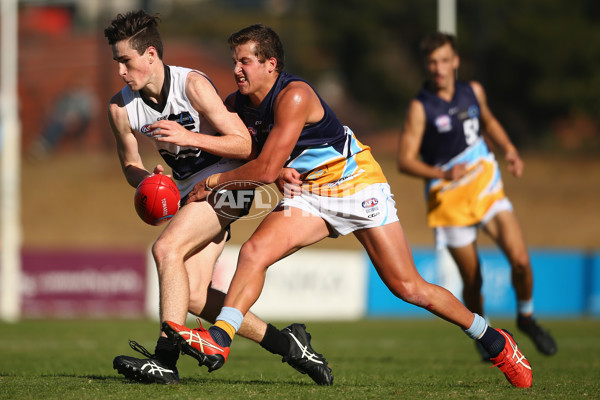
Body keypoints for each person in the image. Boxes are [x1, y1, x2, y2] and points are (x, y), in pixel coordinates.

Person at [162, 24, 533, 388]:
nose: (236, 69)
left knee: (409, 287)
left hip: (356, 186)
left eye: (245, 61)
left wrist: (215, 183)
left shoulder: (294, 95)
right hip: (310, 194)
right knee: (255, 251)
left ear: (271, 64)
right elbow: (256, 154)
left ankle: (494, 340)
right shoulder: (238, 105)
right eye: (234, 61)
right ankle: (221, 339)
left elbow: (265, 164)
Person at [104, 11, 333, 386]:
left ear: (150, 55)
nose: (121, 72)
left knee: (166, 250)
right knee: (192, 296)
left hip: (228, 184)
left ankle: (164, 360)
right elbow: (131, 163)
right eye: (116, 62)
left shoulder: (191, 84)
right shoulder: (119, 108)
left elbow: (243, 144)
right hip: (188, 194)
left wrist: (189, 136)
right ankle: (290, 345)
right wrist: (149, 182)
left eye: (126, 61)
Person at [396, 32, 557, 360]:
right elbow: (405, 160)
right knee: (473, 277)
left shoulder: (473, 91)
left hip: (486, 187)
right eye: (432, 62)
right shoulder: (420, 107)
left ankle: (526, 318)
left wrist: (510, 149)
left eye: (444, 60)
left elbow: (489, 121)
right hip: (449, 200)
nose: (438, 68)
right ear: (426, 66)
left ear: (455, 61)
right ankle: (487, 335)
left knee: (521, 261)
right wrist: (443, 173)